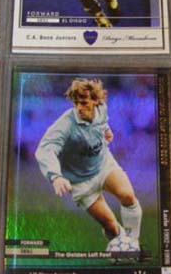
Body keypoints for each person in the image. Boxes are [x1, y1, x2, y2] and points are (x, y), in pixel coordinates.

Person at [35, 78, 142, 250]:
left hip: (103, 164)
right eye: (76, 103)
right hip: (80, 182)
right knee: (111, 227)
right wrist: (55, 176)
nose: (79, 107)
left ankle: (133, 244)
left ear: (95, 101)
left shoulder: (102, 109)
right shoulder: (66, 124)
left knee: (128, 195)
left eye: (84, 103)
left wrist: (106, 130)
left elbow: (102, 121)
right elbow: (45, 149)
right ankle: (121, 243)